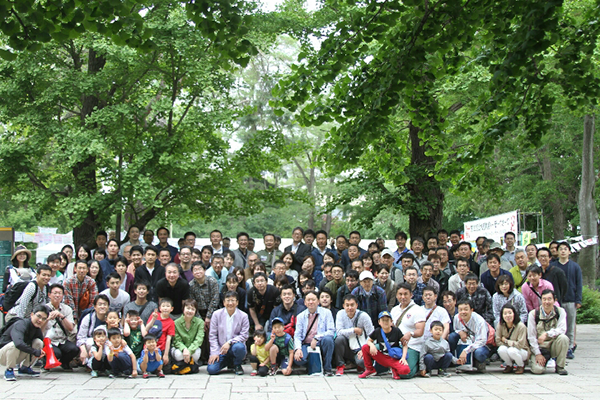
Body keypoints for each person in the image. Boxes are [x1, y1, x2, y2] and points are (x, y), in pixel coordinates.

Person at [0, 304, 48, 380]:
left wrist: (41, 352)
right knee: (14, 345)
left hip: (17, 355)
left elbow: (41, 344)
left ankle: (25, 368)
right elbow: (18, 343)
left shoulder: (37, 328)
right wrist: (35, 351)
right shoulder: (21, 324)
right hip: (3, 355)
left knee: (38, 342)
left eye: (44, 319)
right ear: (32, 314)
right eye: (38, 316)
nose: (40, 320)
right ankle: (9, 370)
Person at [552, 242, 582, 358]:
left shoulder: (575, 267)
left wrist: (578, 300)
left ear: (569, 252)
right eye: (561, 249)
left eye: (565, 249)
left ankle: (569, 348)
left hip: (570, 300)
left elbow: (579, 284)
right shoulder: (554, 266)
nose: (563, 251)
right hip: (556, 300)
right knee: (556, 325)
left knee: (570, 325)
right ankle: (557, 348)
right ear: (557, 252)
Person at [527, 289, 569, 375]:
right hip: (540, 347)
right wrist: (537, 353)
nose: (547, 302)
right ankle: (536, 361)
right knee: (537, 370)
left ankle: (560, 366)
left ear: (554, 300)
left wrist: (547, 334)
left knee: (564, 338)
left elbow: (562, 329)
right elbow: (531, 336)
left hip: (553, 344)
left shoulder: (560, 312)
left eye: (549, 299)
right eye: (544, 299)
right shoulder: (533, 314)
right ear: (541, 300)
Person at [292, 291, 335, 375]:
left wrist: (317, 338)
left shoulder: (326, 313)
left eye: (313, 299)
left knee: (329, 340)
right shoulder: (301, 316)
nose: (311, 302)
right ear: (305, 303)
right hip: (307, 344)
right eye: (308, 300)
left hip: (321, 342)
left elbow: (331, 331)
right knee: (299, 359)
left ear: (318, 301)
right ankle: (312, 365)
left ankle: (327, 368)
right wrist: (298, 349)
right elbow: (297, 335)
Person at [207, 291, 249, 375]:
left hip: (235, 347)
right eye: (228, 300)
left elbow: (244, 335)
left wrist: (230, 343)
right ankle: (229, 362)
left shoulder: (243, 316)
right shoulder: (216, 314)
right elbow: (212, 335)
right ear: (224, 302)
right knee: (211, 369)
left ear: (237, 302)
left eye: (233, 300)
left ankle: (237, 364)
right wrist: (214, 353)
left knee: (239, 347)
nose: (230, 303)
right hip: (221, 349)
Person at [359, 311, 410, 380]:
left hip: (394, 358)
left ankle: (394, 369)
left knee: (405, 370)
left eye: (387, 320)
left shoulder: (396, 331)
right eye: (383, 320)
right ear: (379, 322)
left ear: (391, 321)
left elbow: (404, 345)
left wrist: (403, 358)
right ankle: (369, 369)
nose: (385, 322)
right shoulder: (377, 331)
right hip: (382, 356)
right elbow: (369, 341)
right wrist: (372, 345)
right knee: (365, 347)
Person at [389, 283, 425, 379]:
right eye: (400, 294)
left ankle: (415, 365)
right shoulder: (394, 310)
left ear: (411, 295)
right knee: (372, 349)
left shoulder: (417, 310)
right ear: (396, 295)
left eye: (406, 294)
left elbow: (420, 331)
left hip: (412, 346)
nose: (403, 297)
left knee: (405, 373)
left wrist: (411, 333)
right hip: (396, 344)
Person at [334, 294, 374, 375]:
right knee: (339, 339)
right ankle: (340, 365)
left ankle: (359, 365)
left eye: (352, 305)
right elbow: (338, 332)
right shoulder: (340, 314)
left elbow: (372, 334)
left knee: (361, 361)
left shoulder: (364, 316)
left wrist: (364, 349)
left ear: (356, 305)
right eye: (347, 305)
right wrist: (353, 330)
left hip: (360, 347)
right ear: (343, 306)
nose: (350, 308)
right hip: (346, 345)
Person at [448, 299, 491, 373]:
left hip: (481, 345)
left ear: (471, 310)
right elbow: (456, 329)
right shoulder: (456, 318)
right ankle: (456, 361)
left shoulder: (479, 321)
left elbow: (482, 340)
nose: (463, 312)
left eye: (466, 309)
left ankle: (479, 362)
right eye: (460, 310)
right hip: (467, 342)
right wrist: (460, 332)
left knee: (479, 353)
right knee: (452, 337)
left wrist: (466, 351)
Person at [45, 283, 79, 369]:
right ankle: (45, 362)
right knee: (56, 353)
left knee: (74, 349)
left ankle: (64, 362)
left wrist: (62, 316)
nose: (57, 295)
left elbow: (70, 327)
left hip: (62, 340)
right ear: (49, 295)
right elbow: (38, 325)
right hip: (49, 341)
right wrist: (48, 318)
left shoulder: (67, 309)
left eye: (59, 293)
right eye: (55, 293)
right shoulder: (44, 308)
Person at [77, 294, 110, 365]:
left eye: (105, 304)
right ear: (95, 306)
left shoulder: (112, 318)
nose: (102, 307)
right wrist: (83, 350)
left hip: (107, 344)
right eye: (100, 304)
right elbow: (80, 337)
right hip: (92, 345)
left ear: (108, 306)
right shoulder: (88, 318)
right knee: (90, 342)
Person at [495, 303, 528, 374]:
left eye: (510, 313)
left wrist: (506, 341)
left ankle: (521, 365)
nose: (508, 315)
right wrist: (510, 344)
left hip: (522, 351)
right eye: (505, 313)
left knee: (511, 350)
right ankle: (509, 365)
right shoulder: (500, 325)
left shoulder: (521, 326)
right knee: (501, 349)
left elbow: (520, 345)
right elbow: (498, 341)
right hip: (509, 348)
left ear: (514, 314)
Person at [172, 299, 204, 365]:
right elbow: (176, 341)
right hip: (180, 349)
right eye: (188, 308)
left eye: (192, 309)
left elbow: (199, 339)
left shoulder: (200, 322)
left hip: (192, 348)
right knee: (179, 355)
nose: (190, 311)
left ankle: (189, 364)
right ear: (183, 309)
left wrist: (189, 350)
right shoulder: (175, 323)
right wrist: (184, 349)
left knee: (196, 354)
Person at [189, 261, 220, 329]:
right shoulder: (191, 285)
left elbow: (215, 300)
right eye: (195, 270)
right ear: (192, 273)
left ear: (205, 270)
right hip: (198, 313)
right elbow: (193, 303)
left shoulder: (212, 281)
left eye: (200, 269)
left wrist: (208, 317)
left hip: (213, 312)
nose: (198, 272)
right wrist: (199, 320)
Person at [145, 299, 175, 366]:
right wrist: (153, 319)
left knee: (166, 369)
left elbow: (168, 339)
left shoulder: (171, 322)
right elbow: (146, 329)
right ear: (160, 308)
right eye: (163, 306)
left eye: (167, 306)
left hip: (161, 348)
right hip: (149, 346)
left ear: (171, 309)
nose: (165, 308)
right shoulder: (154, 315)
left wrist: (166, 354)